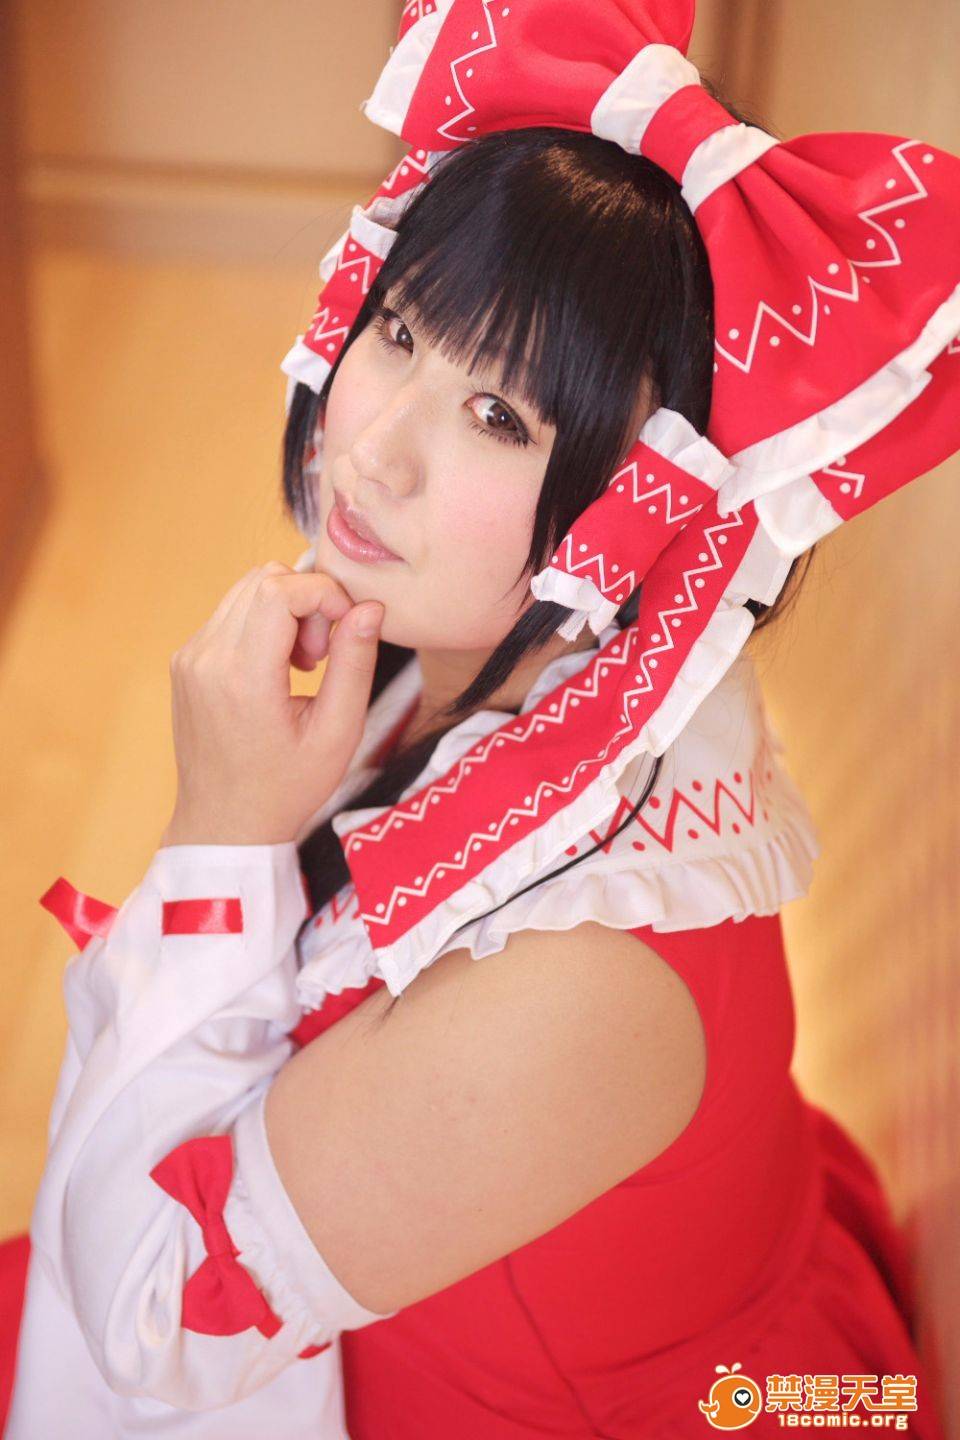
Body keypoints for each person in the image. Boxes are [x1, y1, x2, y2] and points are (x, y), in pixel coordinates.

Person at [3, 1, 958, 1436]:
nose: (371, 452)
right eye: (398, 332)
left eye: (501, 417)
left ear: (656, 505)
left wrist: (222, 828)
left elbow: (146, 1325)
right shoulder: (548, 660)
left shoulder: (585, 981)